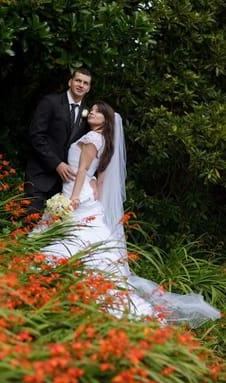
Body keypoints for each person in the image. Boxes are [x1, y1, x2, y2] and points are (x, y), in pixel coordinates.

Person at [34, 101, 220, 328]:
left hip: (76, 192)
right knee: (82, 240)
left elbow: (82, 169)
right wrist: (91, 183)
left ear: (106, 119)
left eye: (97, 112)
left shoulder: (93, 138)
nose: (91, 112)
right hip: (83, 191)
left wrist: (73, 197)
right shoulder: (103, 140)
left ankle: (58, 282)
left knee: (73, 238)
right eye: (90, 110)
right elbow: (95, 174)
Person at [24, 68, 92, 214]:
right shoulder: (50, 102)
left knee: (51, 232)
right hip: (40, 176)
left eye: (85, 83)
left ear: (88, 88)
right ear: (70, 82)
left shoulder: (88, 113)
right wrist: (56, 163)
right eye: (78, 81)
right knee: (29, 222)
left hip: (65, 184)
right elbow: (36, 135)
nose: (81, 85)